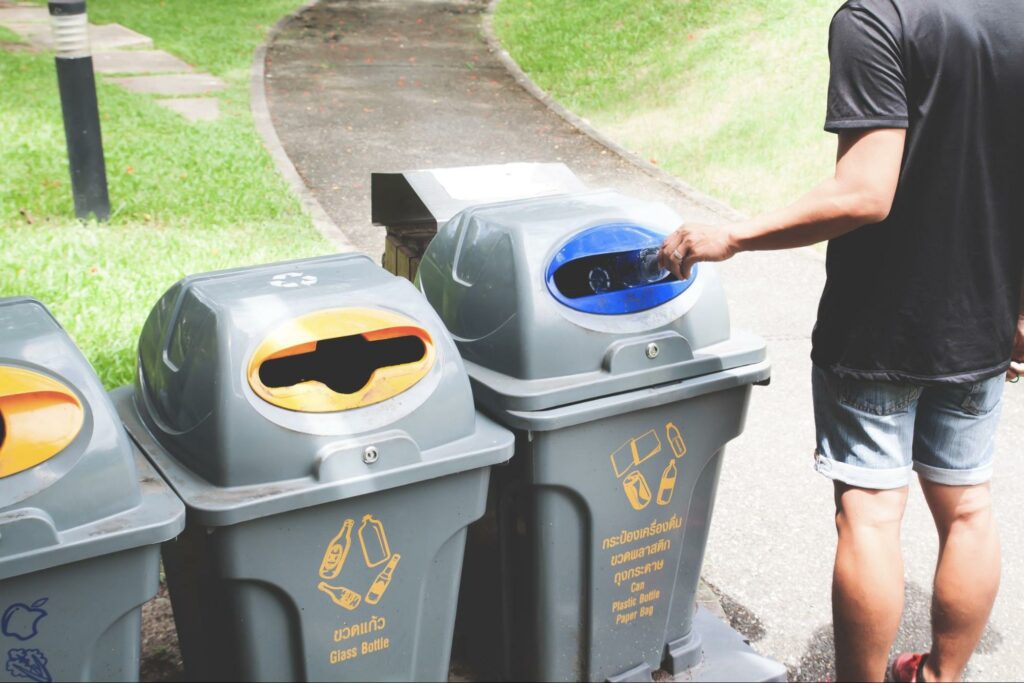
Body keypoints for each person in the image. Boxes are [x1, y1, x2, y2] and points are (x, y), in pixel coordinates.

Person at [657, 1, 1024, 681]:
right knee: (969, 505)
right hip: (984, 315)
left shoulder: (876, 19)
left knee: (871, 516)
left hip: (881, 325)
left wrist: (734, 236)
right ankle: (941, 674)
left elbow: (864, 192)